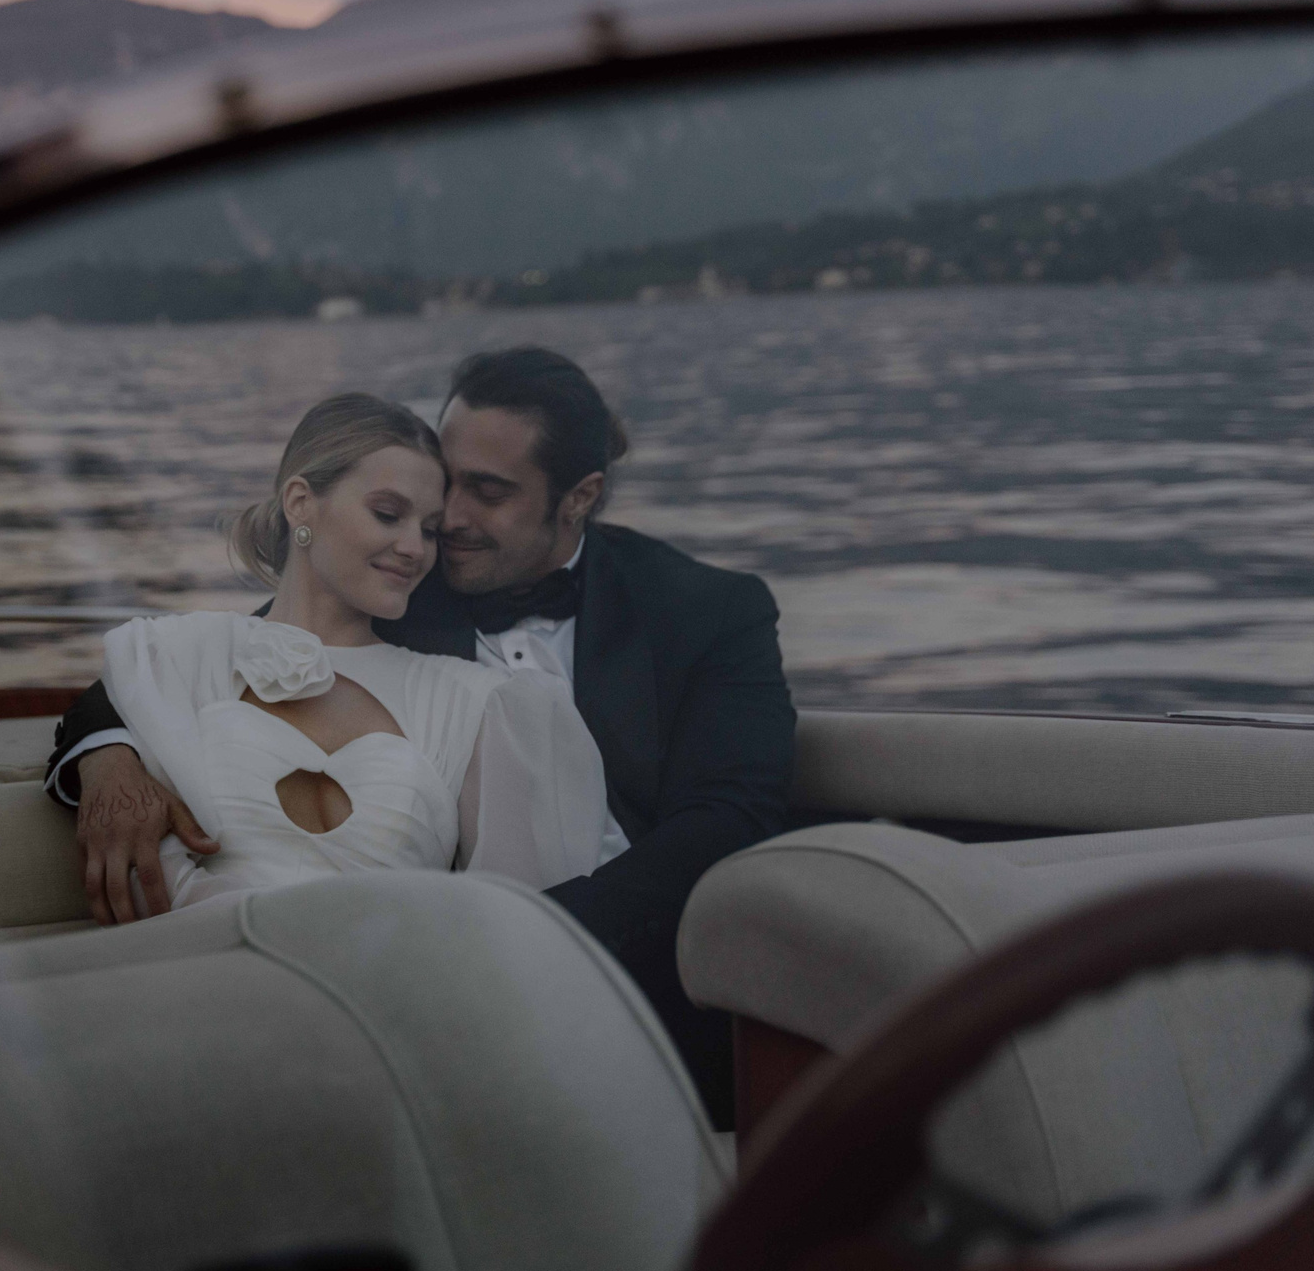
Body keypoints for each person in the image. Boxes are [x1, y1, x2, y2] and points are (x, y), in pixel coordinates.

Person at [50, 348, 796, 1125]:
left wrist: (506, 944)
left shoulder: (707, 608)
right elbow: (180, 669)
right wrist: (107, 760)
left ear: (580, 497)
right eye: (445, 482)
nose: (448, 522)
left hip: (606, 958)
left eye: (489, 492)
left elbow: (727, 819)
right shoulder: (401, 572)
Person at [93, 392, 611, 912]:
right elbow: (143, 879)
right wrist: (103, 761)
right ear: (300, 503)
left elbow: (512, 918)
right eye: (388, 514)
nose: (415, 547)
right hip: (200, 967)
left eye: (429, 530)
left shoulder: (479, 705)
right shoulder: (175, 655)